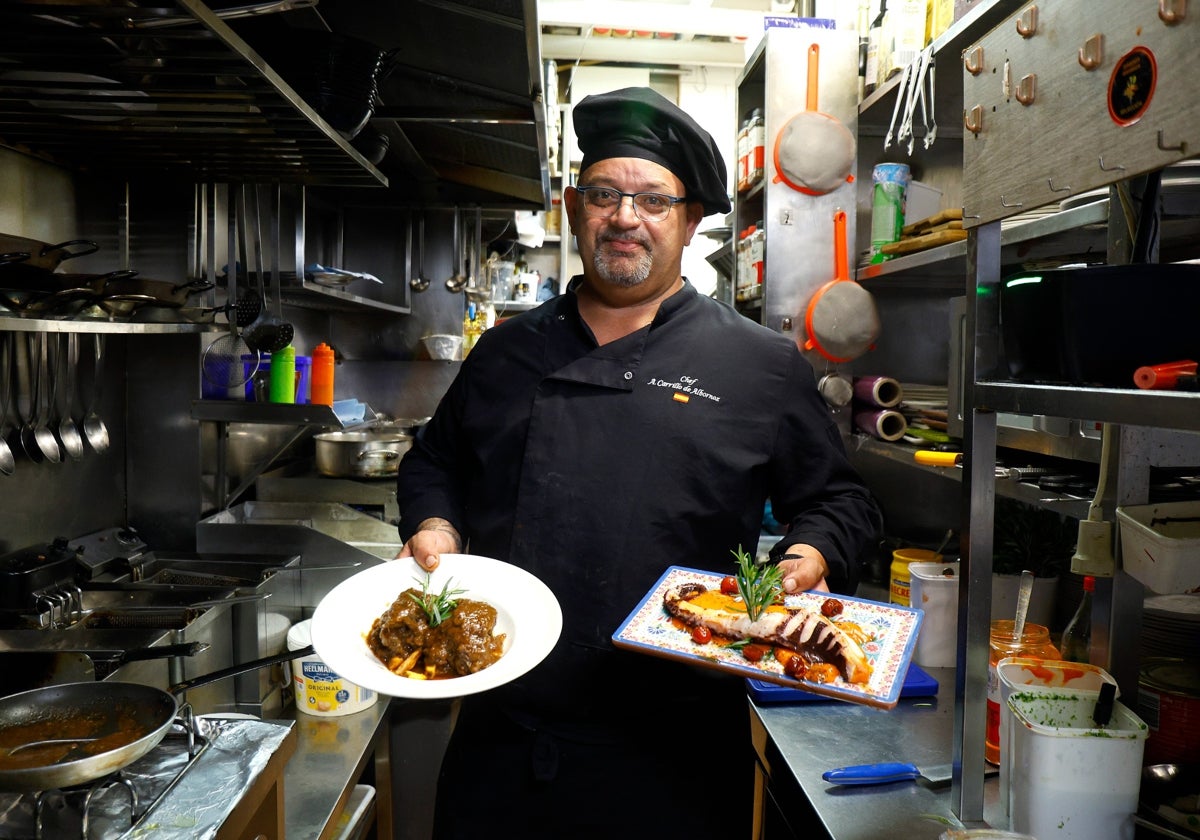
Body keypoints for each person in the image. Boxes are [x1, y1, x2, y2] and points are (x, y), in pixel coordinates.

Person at [394, 86, 882, 838]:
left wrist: (809, 553)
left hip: (671, 760)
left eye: (653, 200)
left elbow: (840, 503)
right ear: (572, 206)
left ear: (688, 222)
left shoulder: (759, 365)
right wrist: (433, 524)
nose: (625, 217)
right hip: (499, 739)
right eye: (604, 194)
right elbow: (434, 464)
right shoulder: (506, 353)